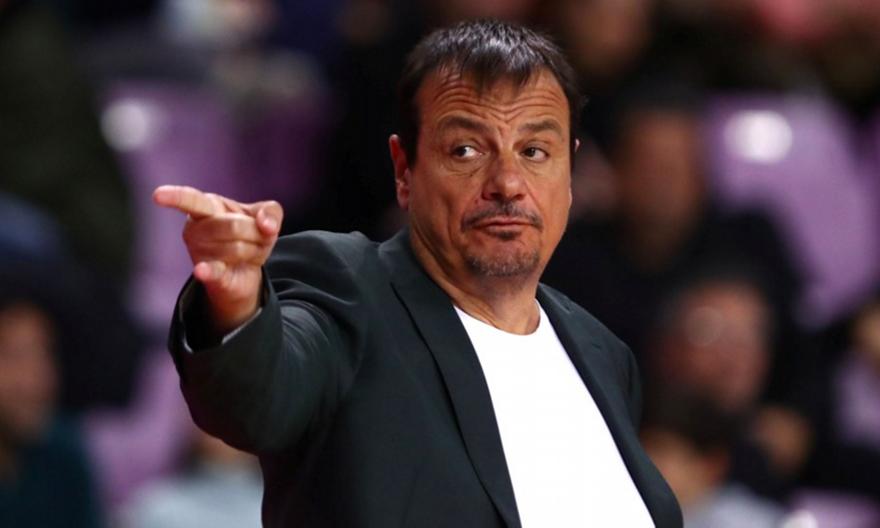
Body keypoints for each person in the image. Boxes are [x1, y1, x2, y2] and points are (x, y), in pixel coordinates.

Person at [155, 20, 681, 527]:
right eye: (466, 150)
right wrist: (237, 304)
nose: (507, 182)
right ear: (404, 170)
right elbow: (254, 402)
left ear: (569, 173)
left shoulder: (604, 355)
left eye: (534, 151)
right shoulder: (344, 289)